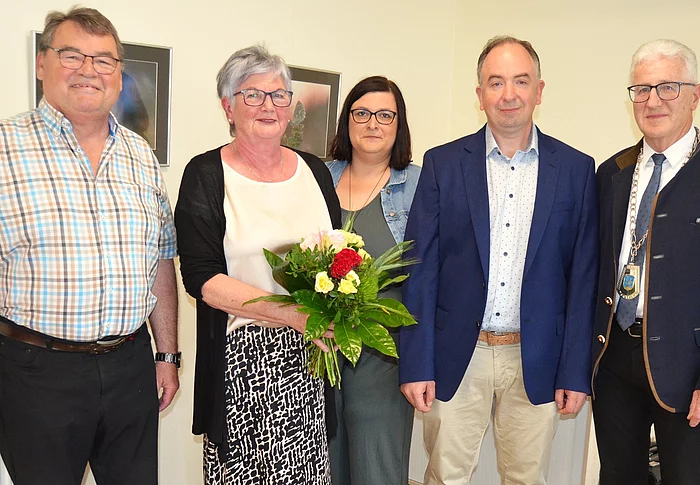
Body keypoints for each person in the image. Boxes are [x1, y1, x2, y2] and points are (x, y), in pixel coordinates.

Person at [399, 35, 599, 485]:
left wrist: (575, 370)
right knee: (445, 476)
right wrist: (416, 363)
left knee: (526, 478)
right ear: (480, 94)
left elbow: (583, 278)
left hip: (536, 356)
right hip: (457, 355)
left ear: (539, 91)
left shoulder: (576, 169)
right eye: (496, 82)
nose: (509, 94)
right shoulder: (443, 163)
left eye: (521, 81)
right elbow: (420, 269)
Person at [0, 7, 179, 485]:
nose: (88, 70)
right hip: (35, 372)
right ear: (42, 63)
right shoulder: (4, 147)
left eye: (103, 60)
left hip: (131, 365)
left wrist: (167, 356)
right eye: (72, 55)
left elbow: (162, 259)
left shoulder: (141, 156)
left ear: (118, 75)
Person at [174, 45, 340, 484]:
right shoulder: (206, 174)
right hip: (242, 364)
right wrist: (292, 313)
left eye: (279, 95)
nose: (269, 105)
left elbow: (339, 258)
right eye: (253, 95)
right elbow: (202, 280)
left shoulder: (316, 172)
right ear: (228, 107)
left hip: (311, 358)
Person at [592, 39, 700, 485]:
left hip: (686, 365)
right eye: (641, 89)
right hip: (615, 359)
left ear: (695, 95)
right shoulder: (611, 173)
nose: (653, 101)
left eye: (667, 87)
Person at [325, 76, 419, 485]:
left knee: (375, 468)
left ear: (399, 125)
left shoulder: (418, 184)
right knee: (322, 464)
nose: (372, 123)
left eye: (385, 115)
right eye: (361, 113)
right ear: (347, 120)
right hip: (319, 347)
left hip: (385, 354)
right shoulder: (317, 176)